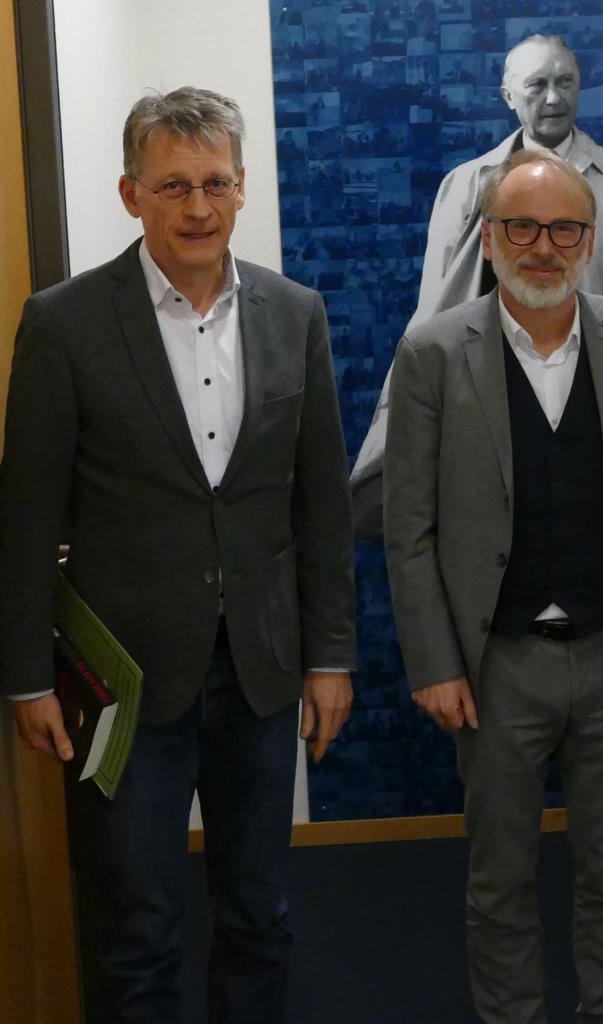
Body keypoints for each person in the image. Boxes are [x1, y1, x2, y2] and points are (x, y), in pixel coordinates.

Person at [0, 87, 357, 1023]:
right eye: (173, 187)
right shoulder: (64, 322)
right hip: (123, 684)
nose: (198, 208)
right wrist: (27, 678)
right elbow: (26, 515)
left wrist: (330, 655)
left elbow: (322, 504)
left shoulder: (295, 313)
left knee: (258, 920)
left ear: (241, 189)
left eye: (215, 184)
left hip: (261, 677)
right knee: (137, 935)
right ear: (131, 195)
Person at [384, 148, 603, 1023]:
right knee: (499, 883)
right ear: (488, 239)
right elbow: (408, 529)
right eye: (521, 227)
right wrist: (434, 662)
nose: (543, 247)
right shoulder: (432, 352)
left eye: (564, 229)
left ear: (590, 242)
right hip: (495, 668)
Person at [351, 34, 603, 535]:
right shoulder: (466, 186)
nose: (553, 98)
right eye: (537, 85)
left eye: (565, 82)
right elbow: (434, 309)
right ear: (508, 96)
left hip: (601, 406)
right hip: (489, 413)